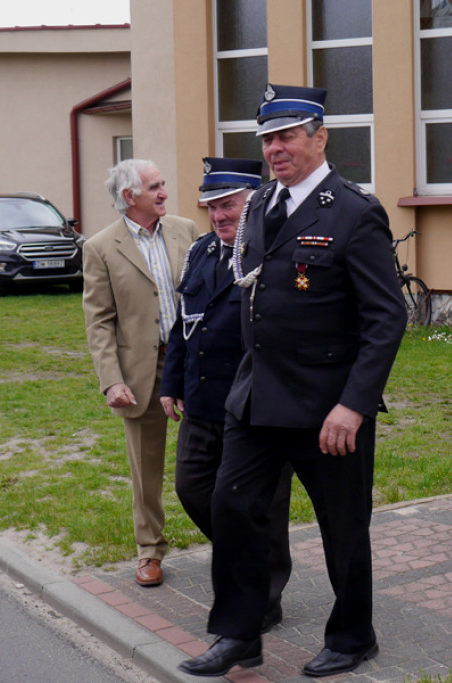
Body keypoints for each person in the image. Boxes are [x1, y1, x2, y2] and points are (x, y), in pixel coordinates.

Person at [178, 84, 407, 678]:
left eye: (286, 137)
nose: (275, 149)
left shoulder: (355, 211)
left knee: (343, 528)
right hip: (257, 398)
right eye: (267, 139)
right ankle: (240, 634)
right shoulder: (259, 206)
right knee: (232, 508)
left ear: (319, 136)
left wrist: (353, 406)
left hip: (328, 407)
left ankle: (354, 636)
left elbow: (386, 318)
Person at [160, 157, 293, 633]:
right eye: (212, 207)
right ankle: (244, 557)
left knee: (262, 506)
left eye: (229, 205)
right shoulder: (200, 253)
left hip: (255, 406)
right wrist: (170, 383)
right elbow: (183, 324)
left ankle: (266, 595)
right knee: (192, 488)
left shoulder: (270, 255)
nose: (219, 216)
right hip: (200, 400)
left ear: (253, 203)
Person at [82, 159, 200, 587]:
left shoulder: (186, 230)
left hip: (191, 363)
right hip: (140, 372)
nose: (164, 192)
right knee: (146, 467)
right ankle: (150, 550)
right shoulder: (100, 247)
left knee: (214, 454)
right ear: (130, 197)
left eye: (164, 184)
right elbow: (98, 320)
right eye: (155, 187)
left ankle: (230, 536)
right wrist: (111, 379)